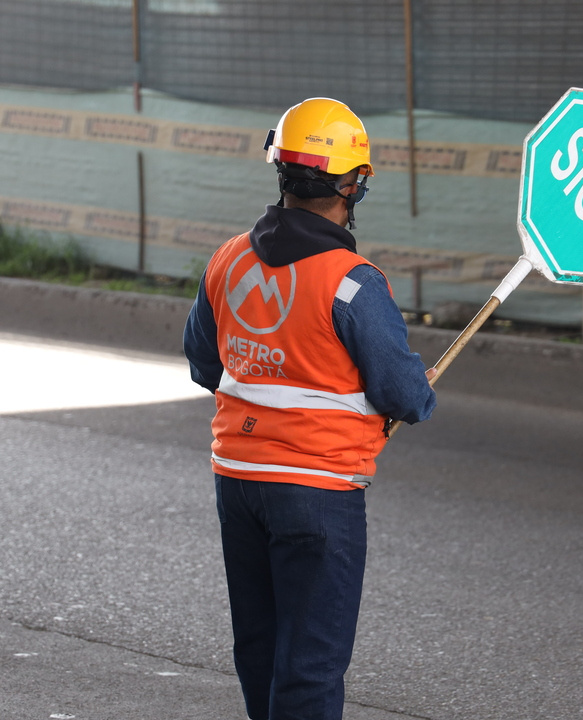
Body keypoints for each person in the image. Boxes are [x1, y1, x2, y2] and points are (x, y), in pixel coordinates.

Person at [182, 97, 437, 720]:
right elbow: (406, 397)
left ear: (282, 170)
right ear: (354, 183)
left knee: (262, 653)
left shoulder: (228, 257)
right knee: (311, 668)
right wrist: (417, 386)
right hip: (317, 491)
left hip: (238, 482)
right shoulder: (352, 281)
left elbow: (204, 364)